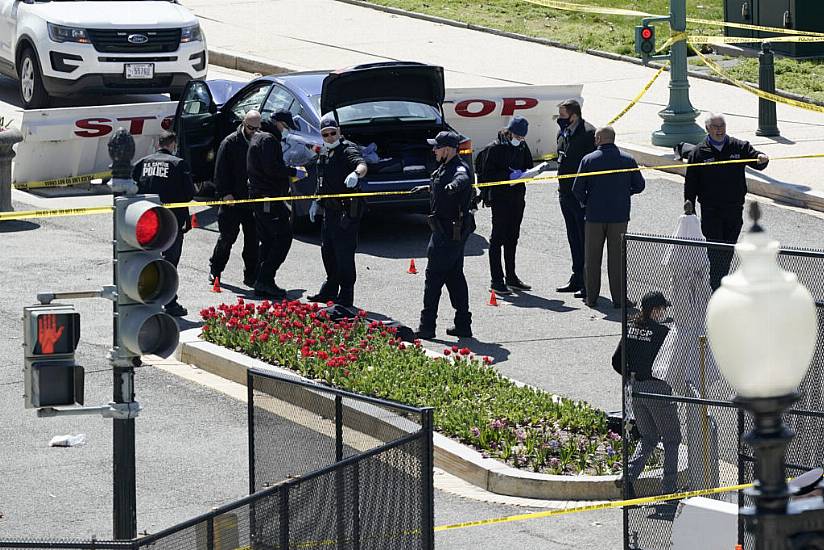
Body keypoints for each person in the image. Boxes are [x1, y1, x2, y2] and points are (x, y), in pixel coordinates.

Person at [684, 113, 769, 289]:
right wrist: (689, 203)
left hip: (733, 210)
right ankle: (717, 287)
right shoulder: (698, 153)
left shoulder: (738, 146)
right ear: (707, 129)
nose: (719, 130)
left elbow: (755, 158)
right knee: (716, 252)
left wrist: (762, 157)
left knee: (728, 250)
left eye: (722, 126)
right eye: (715, 127)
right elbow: (691, 182)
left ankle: (721, 282)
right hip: (711, 212)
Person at [612, 291, 681, 502]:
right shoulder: (663, 333)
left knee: (649, 436)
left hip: (636, 389)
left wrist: (633, 373)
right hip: (657, 388)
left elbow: (616, 361)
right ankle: (669, 490)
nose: (664, 313)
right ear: (655, 310)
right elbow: (672, 363)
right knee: (672, 439)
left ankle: (628, 477)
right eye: (662, 309)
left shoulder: (631, 328)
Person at [572, 126, 645, 308]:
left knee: (592, 259)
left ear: (598, 139)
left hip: (594, 216)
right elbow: (640, 185)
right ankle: (619, 299)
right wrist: (626, 193)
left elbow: (577, 189)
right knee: (617, 260)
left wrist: (586, 202)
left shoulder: (588, 160)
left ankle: (592, 297)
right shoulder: (627, 159)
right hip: (619, 216)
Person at [414, 131, 476, 340]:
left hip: (447, 234)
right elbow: (440, 184)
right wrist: (426, 189)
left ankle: (427, 326)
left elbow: (463, 178)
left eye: (437, 147)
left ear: (448, 149)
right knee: (454, 276)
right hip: (448, 232)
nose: (434, 150)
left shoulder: (458, 168)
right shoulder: (444, 166)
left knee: (433, 278)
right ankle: (463, 325)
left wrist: (454, 186)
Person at [306, 116, 368, 307]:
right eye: (326, 134)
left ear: (339, 131)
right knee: (328, 251)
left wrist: (356, 174)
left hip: (346, 212)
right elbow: (321, 179)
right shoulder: (324, 151)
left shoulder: (347, 148)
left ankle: (346, 294)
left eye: (333, 133)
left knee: (344, 253)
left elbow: (362, 164)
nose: (330, 137)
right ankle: (330, 288)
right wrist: (316, 200)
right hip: (329, 210)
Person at [132, 130, 194, 317]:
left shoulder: (141, 163)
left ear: (158, 144)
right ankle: (169, 302)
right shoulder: (179, 164)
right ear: (173, 145)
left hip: (147, 220)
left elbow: (132, 190)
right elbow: (189, 194)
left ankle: (143, 297)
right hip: (171, 223)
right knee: (169, 263)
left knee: (146, 261)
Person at [479, 115, 534, 295]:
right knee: (497, 239)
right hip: (500, 198)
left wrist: (525, 173)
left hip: (517, 197)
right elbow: (486, 176)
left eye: (522, 138)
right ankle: (496, 279)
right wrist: (507, 176)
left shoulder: (522, 147)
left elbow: (528, 164)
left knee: (513, 237)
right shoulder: (494, 148)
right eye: (518, 137)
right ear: (509, 133)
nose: (520, 141)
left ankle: (511, 276)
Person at [247, 109, 297, 299]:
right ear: (279, 123)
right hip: (268, 198)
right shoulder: (268, 140)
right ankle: (265, 279)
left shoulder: (258, 137)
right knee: (283, 238)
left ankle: (261, 280)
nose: (286, 130)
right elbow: (271, 169)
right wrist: (292, 171)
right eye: (285, 126)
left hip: (261, 197)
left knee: (268, 241)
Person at [208, 110, 260, 287]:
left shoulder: (260, 141)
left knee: (253, 240)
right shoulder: (230, 142)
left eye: (256, 128)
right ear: (243, 123)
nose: (253, 131)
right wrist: (225, 193)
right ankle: (215, 269)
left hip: (252, 200)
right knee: (227, 238)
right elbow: (220, 171)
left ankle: (251, 274)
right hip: (232, 200)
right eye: (250, 127)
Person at [555, 99, 597, 295]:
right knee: (573, 238)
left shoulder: (589, 134)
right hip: (565, 193)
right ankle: (576, 276)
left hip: (580, 196)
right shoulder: (563, 133)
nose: (560, 120)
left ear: (574, 115)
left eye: (563, 115)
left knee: (583, 239)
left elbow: (592, 166)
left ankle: (587, 282)